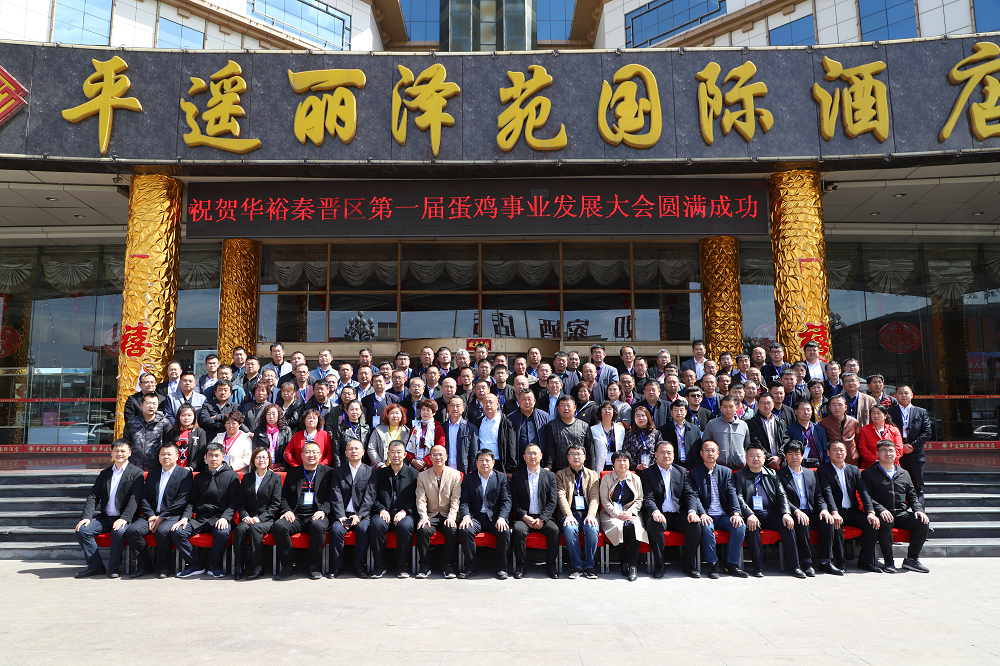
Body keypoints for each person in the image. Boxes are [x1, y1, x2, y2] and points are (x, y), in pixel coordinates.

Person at [74, 439, 144, 578]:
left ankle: (114, 568)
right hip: (105, 517)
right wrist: (86, 517)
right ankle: (95, 566)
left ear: (130, 453)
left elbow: (134, 498)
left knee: (118, 531)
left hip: (124, 518)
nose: (119, 454)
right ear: (111, 453)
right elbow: (94, 495)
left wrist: (124, 518)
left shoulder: (137, 473)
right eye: (116, 451)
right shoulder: (105, 474)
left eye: (123, 451)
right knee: (82, 530)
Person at [861, 440, 931, 573]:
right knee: (886, 522)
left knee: (922, 522)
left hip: (900, 513)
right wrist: (881, 509)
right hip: (882, 513)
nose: (888, 453)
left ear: (896, 453)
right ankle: (889, 561)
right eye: (883, 450)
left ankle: (912, 559)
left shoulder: (904, 473)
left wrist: (919, 510)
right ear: (877, 453)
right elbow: (867, 497)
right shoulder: (868, 473)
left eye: (891, 450)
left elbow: (912, 496)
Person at [733, 443, 802, 578]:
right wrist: (749, 514)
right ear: (746, 458)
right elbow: (738, 497)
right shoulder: (739, 476)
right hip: (752, 515)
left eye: (758, 456)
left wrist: (786, 513)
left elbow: (782, 495)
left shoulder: (772, 474)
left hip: (771, 513)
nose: (755, 458)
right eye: (752, 455)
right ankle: (758, 567)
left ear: (764, 458)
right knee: (752, 528)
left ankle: (794, 566)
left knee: (788, 525)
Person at [125, 442, 193, 579]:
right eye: (163, 454)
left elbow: (182, 501)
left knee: (162, 531)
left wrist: (162, 516)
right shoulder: (153, 474)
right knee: (132, 531)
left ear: (177, 456)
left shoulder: (185, 474)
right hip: (152, 515)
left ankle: (164, 567)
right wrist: (151, 515)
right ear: (158, 456)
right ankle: (144, 565)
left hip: (172, 516)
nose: (166, 457)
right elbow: (144, 497)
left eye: (169, 454)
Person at [173, 442, 239, 578]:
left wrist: (225, 517)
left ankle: (214, 566)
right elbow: (191, 502)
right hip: (200, 519)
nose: (213, 458)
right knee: (177, 532)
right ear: (205, 457)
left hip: (220, 518)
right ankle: (195, 564)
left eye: (217, 455)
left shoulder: (232, 476)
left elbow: (234, 502)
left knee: (222, 533)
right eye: (210, 455)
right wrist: (185, 518)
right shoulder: (199, 477)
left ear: (223, 456)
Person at [640, 441, 702, 579]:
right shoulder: (648, 473)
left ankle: (689, 565)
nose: (666, 455)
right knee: (654, 524)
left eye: (669, 453)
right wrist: (655, 511)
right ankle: (660, 565)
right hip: (659, 514)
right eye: (662, 452)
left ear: (674, 455)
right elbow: (648, 497)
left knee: (695, 524)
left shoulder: (681, 472)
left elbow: (689, 494)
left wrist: (692, 511)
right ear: (656, 455)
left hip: (678, 514)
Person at [818, 440, 881, 572]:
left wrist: (870, 512)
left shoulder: (854, 470)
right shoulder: (823, 470)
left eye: (841, 450)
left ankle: (865, 561)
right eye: (835, 450)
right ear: (828, 453)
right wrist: (834, 512)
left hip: (852, 511)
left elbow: (863, 491)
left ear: (846, 453)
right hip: (835, 510)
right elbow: (826, 492)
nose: (838, 453)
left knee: (871, 523)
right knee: (836, 524)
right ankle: (841, 561)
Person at [688, 440, 748, 578]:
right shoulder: (694, 473)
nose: (710, 453)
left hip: (723, 515)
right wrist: (702, 513)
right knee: (707, 528)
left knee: (739, 526)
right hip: (706, 514)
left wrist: (736, 513)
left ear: (718, 453)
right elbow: (694, 496)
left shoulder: (725, 472)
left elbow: (732, 493)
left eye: (713, 450)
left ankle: (731, 565)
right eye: (707, 450)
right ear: (701, 453)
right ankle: (713, 564)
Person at [272, 441, 333, 580]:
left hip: (317, 514)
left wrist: (323, 510)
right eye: (307, 452)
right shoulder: (293, 473)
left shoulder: (328, 473)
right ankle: (289, 565)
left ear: (320, 455)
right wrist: (287, 511)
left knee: (318, 526)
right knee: (279, 526)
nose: (311, 455)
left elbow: (332, 497)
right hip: (296, 515)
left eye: (314, 452)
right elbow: (284, 497)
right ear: (301, 455)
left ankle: (314, 566)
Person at [778, 441, 837, 576]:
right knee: (802, 522)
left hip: (811, 511)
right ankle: (807, 562)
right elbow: (781, 498)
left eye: (797, 453)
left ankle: (826, 561)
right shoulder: (779, 475)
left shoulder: (811, 474)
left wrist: (824, 509)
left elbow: (818, 495)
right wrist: (796, 511)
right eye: (790, 454)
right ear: (785, 456)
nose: (794, 457)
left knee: (827, 521)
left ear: (803, 456)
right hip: (794, 513)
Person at [458, 449, 512, 579]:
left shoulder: (501, 478)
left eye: (487, 460)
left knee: (504, 531)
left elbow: (506, 501)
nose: (484, 463)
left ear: (493, 462)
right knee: (465, 530)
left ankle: (501, 568)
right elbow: (464, 502)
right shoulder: (469, 478)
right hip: (475, 517)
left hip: (495, 517)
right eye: (481, 460)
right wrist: (466, 516)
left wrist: (502, 518)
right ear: (476, 462)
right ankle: (470, 568)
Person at [367, 441, 418, 578]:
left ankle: (402, 566)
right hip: (384, 512)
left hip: (405, 513)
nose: (396, 455)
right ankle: (379, 565)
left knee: (405, 526)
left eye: (399, 452)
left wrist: (405, 511)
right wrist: (381, 509)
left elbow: (418, 498)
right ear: (388, 454)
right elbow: (372, 496)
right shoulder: (379, 474)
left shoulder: (414, 474)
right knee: (376, 525)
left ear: (405, 454)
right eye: (393, 452)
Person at [510, 444, 560, 579]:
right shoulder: (517, 476)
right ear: (524, 457)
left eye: (535, 453)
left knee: (554, 530)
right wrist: (524, 516)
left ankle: (551, 566)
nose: (532, 456)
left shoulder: (550, 476)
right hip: (524, 517)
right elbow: (514, 500)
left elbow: (552, 501)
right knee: (518, 530)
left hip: (543, 517)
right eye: (529, 453)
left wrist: (542, 519)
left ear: (541, 456)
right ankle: (521, 566)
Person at [329, 439, 376, 578]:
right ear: (345, 453)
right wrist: (341, 516)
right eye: (350, 449)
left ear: (363, 452)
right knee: (336, 530)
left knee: (363, 529)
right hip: (343, 514)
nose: (354, 451)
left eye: (357, 449)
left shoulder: (370, 472)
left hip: (362, 514)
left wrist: (359, 515)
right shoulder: (337, 472)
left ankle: (359, 566)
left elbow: (370, 496)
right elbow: (335, 494)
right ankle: (337, 566)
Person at [233, 447, 282, 580]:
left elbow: (275, 504)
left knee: (255, 529)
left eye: (264, 457)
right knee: (240, 529)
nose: (261, 460)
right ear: (253, 460)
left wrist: (259, 518)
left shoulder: (275, 478)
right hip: (249, 517)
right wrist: (245, 516)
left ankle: (258, 565)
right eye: (258, 457)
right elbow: (241, 502)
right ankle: (239, 565)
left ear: (269, 460)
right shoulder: (247, 478)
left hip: (267, 519)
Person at [415, 444, 462, 578]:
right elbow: (421, 499)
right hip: (431, 515)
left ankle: (449, 565)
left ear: (446, 457)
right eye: (434, 455)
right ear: (430, 458)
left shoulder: (455, 475)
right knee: (422, 529)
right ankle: (425, 565)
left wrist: (452, 517)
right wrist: (424, 517)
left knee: (451, 529)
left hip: (448, 514)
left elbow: (456, 499)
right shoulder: (423, 476)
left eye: (441, 454)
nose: (438, 457)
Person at [599, 450, 646, 581]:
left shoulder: (636, 478)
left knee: (633, 526)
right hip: (611, 513)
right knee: (617, 527)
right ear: (613, 463)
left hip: (631, 511)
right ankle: (624, 561)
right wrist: (617, 514)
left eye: (625, 460)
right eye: (618, 460)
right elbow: (605, 500)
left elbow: (639, 499)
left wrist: (629, 512)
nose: (622, 463)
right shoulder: (606, 478)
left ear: (629, 463)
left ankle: (633, 565)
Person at [555, 444, 600, 579]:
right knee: (569, 528)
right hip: (570, 514)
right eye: (572, 454)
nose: (575, 457)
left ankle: (589, 565)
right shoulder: (560, 475)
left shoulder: (592, 475)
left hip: (587, 514)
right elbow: (561, 497)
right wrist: (568, 515)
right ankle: (577, 566)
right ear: (567, 458)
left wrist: (591, 515)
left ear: (584, 457)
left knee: (592, 528)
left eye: (578, 454)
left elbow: (595, 497)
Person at [889, 385, 931, 498]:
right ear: (895, 396)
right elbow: (888, 431)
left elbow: (927, 432)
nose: (903, 395)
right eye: (900, 393)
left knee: (917, 486)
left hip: (916, 454)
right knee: (898, 485)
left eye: (906, 393)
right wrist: (900, 446)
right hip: (897, 454)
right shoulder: (890, 412)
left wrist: (912, 446)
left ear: (912, 395)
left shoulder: (921, 412)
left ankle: (919, 508)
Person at [124, 392, 173, 472]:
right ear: (141, 405)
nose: (151, 406)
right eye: (148, 403)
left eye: (154, 404)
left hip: (156, 467)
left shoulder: (164, 422)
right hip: (134, 466)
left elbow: (168, 444)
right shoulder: (132, 422)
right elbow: (126, 443)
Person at [703, 396, 750, 470]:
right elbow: (705, 443)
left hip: (739, 467)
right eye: (725, 407)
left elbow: (747, 445)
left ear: (736, 407)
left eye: (731, 407)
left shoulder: (743, 425)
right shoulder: (712, 424)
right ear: (721, 408)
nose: (728, 410)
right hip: (718, 467)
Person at [745, 394, 789, 471]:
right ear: (758, 405)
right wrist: (769, 458)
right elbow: (755, 442)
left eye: (769, 403)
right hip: (762, 463)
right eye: (763, 403)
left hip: (780, 463)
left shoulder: (780, 422)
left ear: (773, 404)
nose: (766, 406)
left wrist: (779, 457)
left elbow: (786, 440)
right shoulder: (752, 423)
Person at [475, 394, 516, 474]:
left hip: (498, 463)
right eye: (485, 402)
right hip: (481, 464)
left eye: (491, 402)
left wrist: (510, 469)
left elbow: (511, 446)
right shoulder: (479, 422)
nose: (488, 405)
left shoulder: (506, 422)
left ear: (497, 404)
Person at [508, 388, 550, 461]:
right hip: (519, 462)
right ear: (519, 401)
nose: (527, 402)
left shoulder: (544, 417)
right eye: (524, 399)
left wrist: (548, 464)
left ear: (534, 401)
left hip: (540, 461)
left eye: (529, 399)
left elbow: (550, 441)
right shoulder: (510, 418)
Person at [163, 403, 208, 472]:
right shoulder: (171, 432)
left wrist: (192, 467)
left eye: (189, 415)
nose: (186, 418)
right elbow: (166, 449)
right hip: (173, 470)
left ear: (194, 417)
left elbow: (201, 451)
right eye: (183, 415)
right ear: (179, 417)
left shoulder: (200, 432)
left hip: (192, 470)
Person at [857, 405, 903, 469]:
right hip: (871, 465)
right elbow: (862, 449)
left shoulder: (894, 430)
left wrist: (887, 460)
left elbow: (899, 449)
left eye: (878, 413)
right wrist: (877, 460)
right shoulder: (864, 430)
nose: (876, 416)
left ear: (885, 416)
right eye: (873, 413)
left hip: (891, 465)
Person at [819, 395, 860, 466]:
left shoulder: (854, 422)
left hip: (852, 460)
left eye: (840, 405)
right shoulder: (823, 423)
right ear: (829, 407)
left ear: (845, 407)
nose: (837, 408)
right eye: (834, 405)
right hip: (833, 461)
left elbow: (857, 440)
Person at [405, 399, 446, 472]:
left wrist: (425, 461)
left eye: (428, 410)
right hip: (414, 466)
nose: (425, 412)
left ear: (433, 413)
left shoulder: (437, 428)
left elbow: (440, 448)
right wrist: (413, 460)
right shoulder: (415, 428)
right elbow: (408, 448)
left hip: (430, 467)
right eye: (423, 409)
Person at [658, 399, 699, 469]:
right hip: (672, 465)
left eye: (681, 410)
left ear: (686, 412)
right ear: (671, 412)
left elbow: (698, 448)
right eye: (676, 410)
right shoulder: (664, 429)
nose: (679, 413)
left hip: (692, 465)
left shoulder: (694, 429)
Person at [787, 400, 829, 467]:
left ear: (812, 412)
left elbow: (825, 449)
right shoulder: (790, 429)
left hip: (817, 463)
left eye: (808, 410)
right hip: (799, 464)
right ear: (796, 412)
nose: (806, 412)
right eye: (803, 409)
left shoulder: (819, 429)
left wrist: (825, 466)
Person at [442, 396, 478, 472]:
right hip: (445, 469)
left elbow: (474, 453)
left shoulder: (471, 428)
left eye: (458, 406)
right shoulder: (442, 427)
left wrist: (471, 473)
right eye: (452, 405)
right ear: (448, 407)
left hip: (463, 470)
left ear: (463, 408)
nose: (455, 409)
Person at [367, 403, 409, 468]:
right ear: (387, 415)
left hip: (401, 468)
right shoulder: (379, 430)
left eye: (397, 413)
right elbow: (371, 448)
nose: (395, 416)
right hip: (382, 468)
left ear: (402, 415)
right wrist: (380, 464)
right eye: (392, 413)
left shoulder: (407, 432)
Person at [251, 403, 291, 470]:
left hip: (280, 467)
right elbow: (255, 451)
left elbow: (288, 451)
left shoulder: (286, 430)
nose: (271, 416)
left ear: (279, 415)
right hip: (263, 467)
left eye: (274, 414)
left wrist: (283, 466)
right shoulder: (259, 431)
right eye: (268, 414)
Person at [623, 404, 660, 472]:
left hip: (653, 471)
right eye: (637, 416)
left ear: (648, 417)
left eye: (643, 415)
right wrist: (636, 465)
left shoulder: (656, 433)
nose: (641, 418)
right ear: (634, 418)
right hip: (635, 471)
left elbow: (660, 452)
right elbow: (626, 454)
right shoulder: (629, 434)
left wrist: (650, 466)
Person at [336, 399, 372, 468]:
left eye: (357, 409)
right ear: (347, 411)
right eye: (351, 409)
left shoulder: (366, 428)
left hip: (362, 465)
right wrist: (338, 468)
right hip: (345, 464)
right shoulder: (340, 428)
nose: (354, 412)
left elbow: (368, 450)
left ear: (361, 411)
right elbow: (336, 451)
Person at [592, 401, 626, 471]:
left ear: (614, 412)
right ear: (600, 412)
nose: (607, 411)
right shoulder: (593, 430)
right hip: (600, 467)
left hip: (617, 467)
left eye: (610, 408)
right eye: (604, 408)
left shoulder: (620, 429)